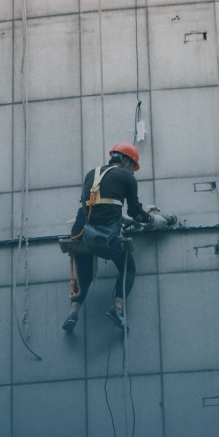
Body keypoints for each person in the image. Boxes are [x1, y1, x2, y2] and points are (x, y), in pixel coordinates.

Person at [62, 141, 156, 334]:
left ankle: (73, 313)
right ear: (126, 160)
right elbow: (136, 212)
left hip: (80, 233)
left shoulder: (91, 173)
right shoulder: (127, 176)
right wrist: (151, 219)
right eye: (133, 166)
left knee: (85, 275)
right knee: (127, 268)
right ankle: (118, 309)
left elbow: (98, 207)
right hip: (103, 235)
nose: (133, 171)